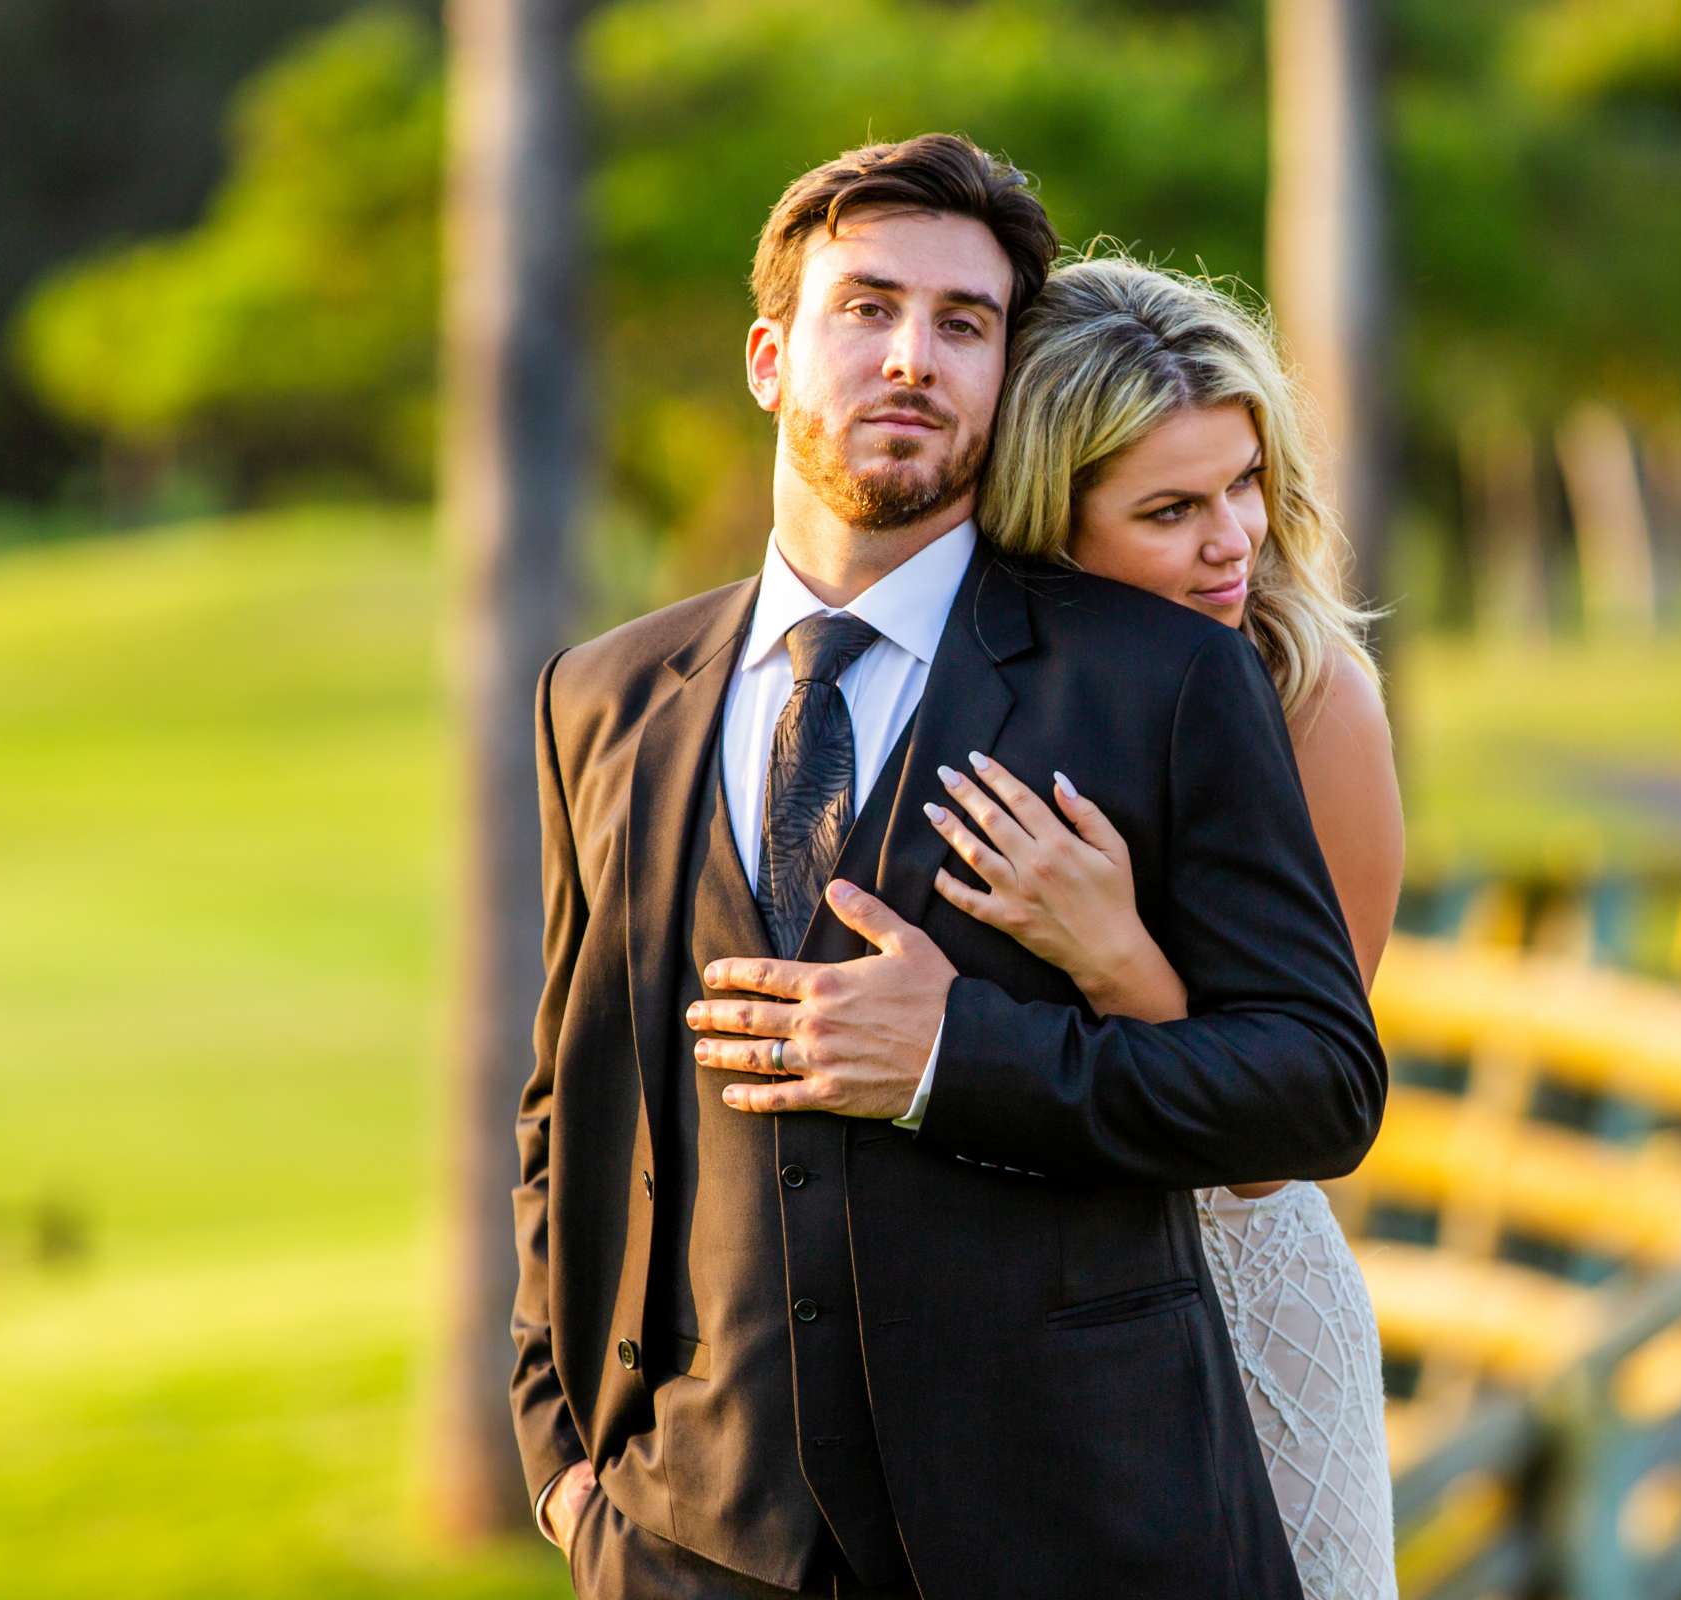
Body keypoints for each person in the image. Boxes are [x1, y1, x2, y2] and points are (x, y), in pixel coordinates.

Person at [508, 134, 1386, 1600]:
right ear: (770, 357)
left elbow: (1320, 1086)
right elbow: (567, 1098)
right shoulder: (604, 696)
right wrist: (562, 1461)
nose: (914, 356)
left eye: (965, 324)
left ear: (1005, 376)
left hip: (1086, 1535)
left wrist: (953, 1057)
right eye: (869, 308)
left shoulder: (1168, 681)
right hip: (687, 1546)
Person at [927, 254, 1407, 1600]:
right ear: (1048, 519)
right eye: (1172, 508)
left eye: (1245, 483)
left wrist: (1116, 952)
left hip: (1244, 1308)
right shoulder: (976, 690)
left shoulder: (1315, 699)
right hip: (1028, 1345)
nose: (1232, 539)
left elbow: (1280, 1136)